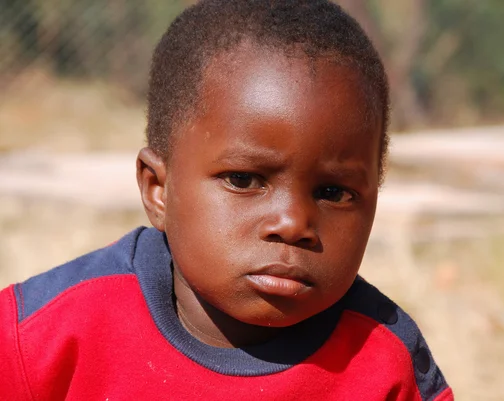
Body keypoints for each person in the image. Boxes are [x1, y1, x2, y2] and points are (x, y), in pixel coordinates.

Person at [0, 1, 453, 400]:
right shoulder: (41, 338)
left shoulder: (385, 362)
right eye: (243, 180)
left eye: (333, 192)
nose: (293, 222)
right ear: (158, 189)